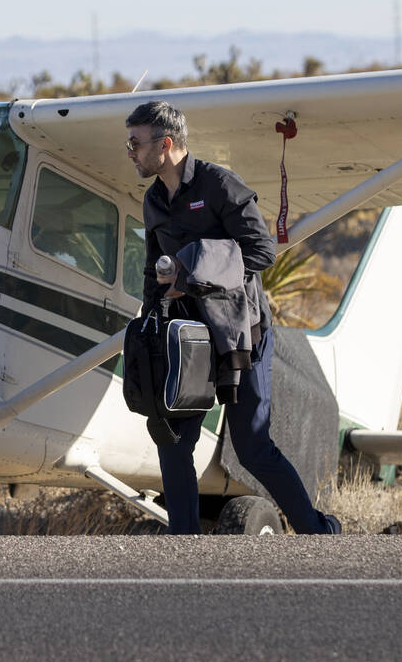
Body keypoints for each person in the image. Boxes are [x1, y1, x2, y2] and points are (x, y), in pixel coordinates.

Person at [125, 100, 341, 535]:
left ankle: (318, 533)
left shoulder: (220, 184)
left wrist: (194, 268)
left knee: (253, 447)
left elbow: (262, 252)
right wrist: (151, 322)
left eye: (136, 143)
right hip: (188, 342)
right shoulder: (152, 200)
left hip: (244, 337)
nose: (129, 151)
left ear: (165, 145)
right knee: (172, 440)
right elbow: (154, 271)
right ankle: (185, 545)